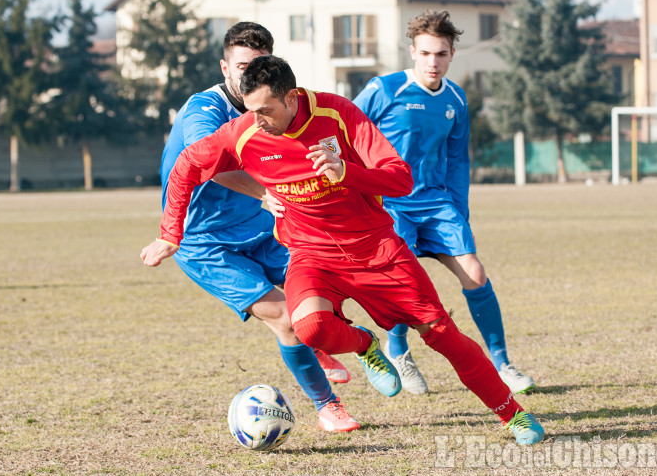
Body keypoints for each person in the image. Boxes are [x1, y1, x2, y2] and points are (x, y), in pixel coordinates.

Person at [141, 55, 545, 445]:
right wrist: (170, 233)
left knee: (442, 335)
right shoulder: (246, 131)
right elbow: (186, 167)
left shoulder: (339, 114)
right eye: (250, 111)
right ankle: (364, 344)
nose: (257, 121)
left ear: (291, 96)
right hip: (311, 255)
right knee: (308, 326)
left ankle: (514, 413)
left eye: (265, 110)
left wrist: (346, 171)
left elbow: (400, 179)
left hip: (378, 250)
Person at [145, 22, 358, 433]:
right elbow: (207, 165)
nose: (248, 76)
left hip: (262, 229)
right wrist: (263, 192)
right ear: (225, 67)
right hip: (205, 241)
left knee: (327, 291)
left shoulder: (271, 107)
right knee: (285, 316)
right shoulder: (202, 111)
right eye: (241, 66)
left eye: (257, 66)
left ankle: (319, 344)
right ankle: (327, 406)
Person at [353, 10, 536, 396]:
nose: (432, 62)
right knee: (404, 285)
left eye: (440, 54)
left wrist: (459, 211)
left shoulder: (456, 98)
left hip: (437, 203)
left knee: (475, 272)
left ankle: (501, 363)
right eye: (425, 53)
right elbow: (346, 133)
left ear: (453, 53)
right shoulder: (383, 90)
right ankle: (399, 350)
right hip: (391, 204)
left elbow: (458, 159)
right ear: (412, 52)